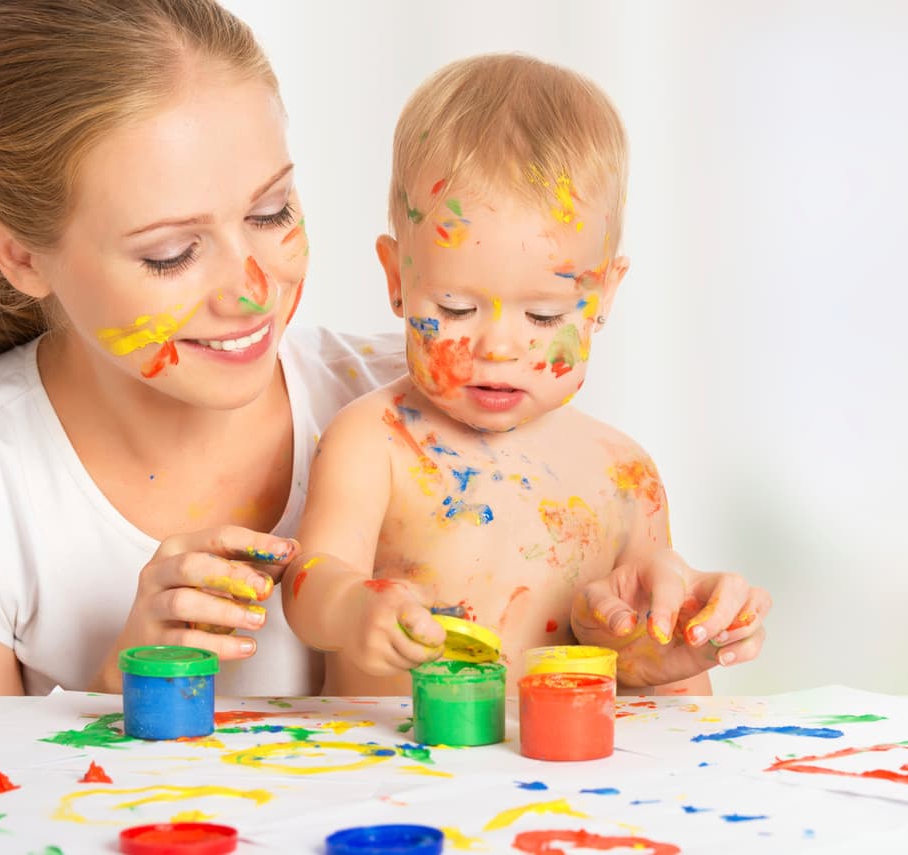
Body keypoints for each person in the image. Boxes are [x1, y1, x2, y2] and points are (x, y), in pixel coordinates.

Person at [0, 0, 405, 696]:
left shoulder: (411, 405)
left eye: (272, 212)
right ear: (21, 257)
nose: (252, 290)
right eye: (170, 254)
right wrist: (118, 688)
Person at [282, 54, 771, 695]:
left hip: (558, 789)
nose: (499, 346)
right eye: (454, 308)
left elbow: (664, 701)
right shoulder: (373, 442)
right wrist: (353, 609)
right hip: (396, 777)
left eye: (544, 314)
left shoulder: (626, 476)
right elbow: (310, 582)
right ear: (398, 279)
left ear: (604, 296)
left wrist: (667, 650)